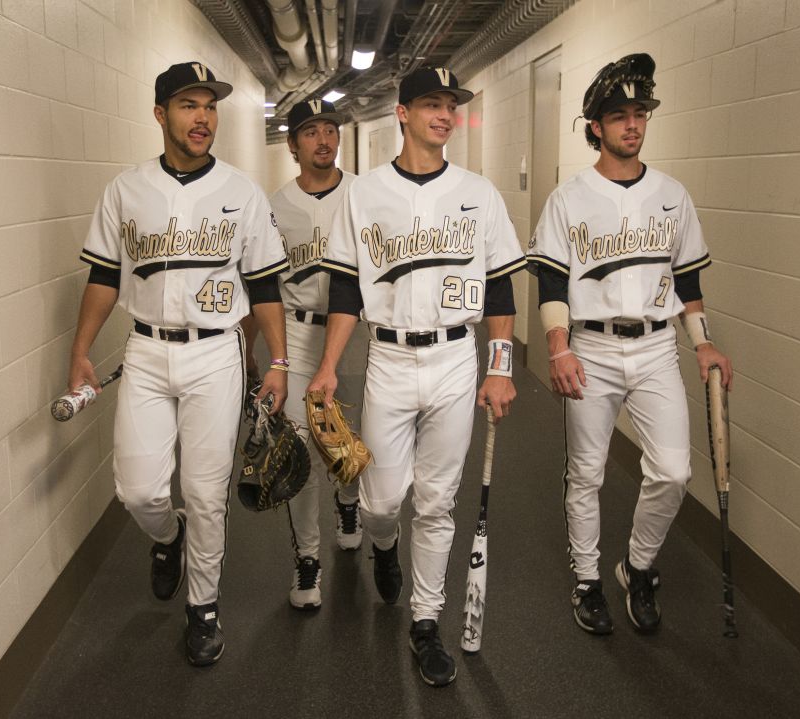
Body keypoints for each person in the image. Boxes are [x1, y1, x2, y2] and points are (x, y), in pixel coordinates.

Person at [307, 67, 526, 687]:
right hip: (392, 359)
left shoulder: (478, 192)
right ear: (402, 114)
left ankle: (426, 622)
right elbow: (348, 287)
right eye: (431, 104)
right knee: (380, 501)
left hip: (458, 357)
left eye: (450, 105)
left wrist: (500, 367)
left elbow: (502, 285)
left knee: (436, 500)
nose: (444, 114)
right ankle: (381, 545)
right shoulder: (366, 192)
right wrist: (326, 366)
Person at [67, 61, 289, 666]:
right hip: (144, 350)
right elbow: (104, 275)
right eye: (189, 105)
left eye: (210, 106)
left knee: (204, 488)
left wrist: (279, 362)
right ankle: (168, 538)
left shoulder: (241, 192)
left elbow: (265, 286)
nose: (202, 117)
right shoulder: (125, 189)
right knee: (137, 490)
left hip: (216, 352)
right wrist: (81, 351)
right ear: (161, 115)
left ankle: (204, 608)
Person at [526, 53, 733, 636]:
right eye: (619, 115)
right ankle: (588, 580)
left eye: (639, 113)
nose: (632, 125)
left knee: (671, 470)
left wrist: (704, 344)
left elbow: (688, 279)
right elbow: (549, 280)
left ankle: (637, 566)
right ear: (596, 125)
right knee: (587, 472)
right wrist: (558, 347)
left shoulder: (673, 194)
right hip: (590, 347)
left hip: (655, 347)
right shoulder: (570, 198)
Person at [244, 99, 363, 611]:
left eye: (330, 129)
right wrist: (252, 352)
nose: (323, 139)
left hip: (359, 331)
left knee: (355, 442)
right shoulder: (274, 206)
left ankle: (351, 504)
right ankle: (308, 559)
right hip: (295, 332)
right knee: (301, 451)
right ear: (292, 144)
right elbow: (261, 286)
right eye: (310, 131)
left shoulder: (365, 195)